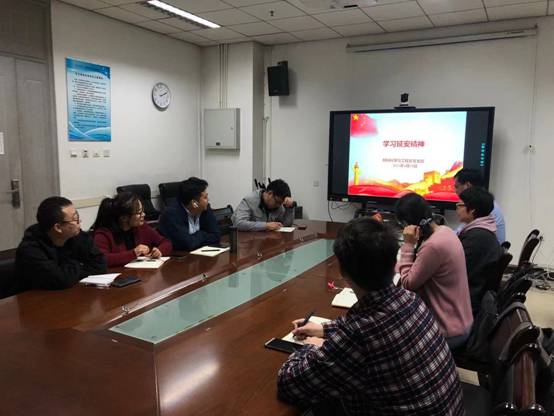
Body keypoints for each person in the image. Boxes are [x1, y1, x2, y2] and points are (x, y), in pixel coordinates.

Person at [277, 218, 464, 415]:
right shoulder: (411, 299)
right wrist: (325, 329)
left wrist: (311, 348)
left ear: (342, 271)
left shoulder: (357, 336)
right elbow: (374, 324)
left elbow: (289, 384)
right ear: (394, 263)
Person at [396, 193, 473, 349]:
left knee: (389, 336)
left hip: (447, 331)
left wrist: (408, 245)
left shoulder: (433, 246)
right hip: (460, 321)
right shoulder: (445, 231)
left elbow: (408, 283)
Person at [14, 196, 106, 291]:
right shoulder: (30, 249)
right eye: (75, 219)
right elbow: (61, 280)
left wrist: (71, 270)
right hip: (36, 297)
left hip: (70, 293)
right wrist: (79, 265)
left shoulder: (76, 235)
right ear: (58, 228)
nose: (79, 222)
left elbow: (100, 265)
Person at [457, 187, 503, 315]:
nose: (457, 208)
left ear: (472, 210)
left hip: (468, 303)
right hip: (475, 294)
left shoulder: (477, 238)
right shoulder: (482, 232)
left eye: (460, 205)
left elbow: (457, 273)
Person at [92, 192, 172, 267]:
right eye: (139, 213)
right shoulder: (104, 234)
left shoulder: (142, 227)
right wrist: (134, 253)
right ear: (124, 218)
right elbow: (103, 259)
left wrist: (160, 250)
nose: (143, 215)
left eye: (143, 211)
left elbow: (166, 242)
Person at [158, 177, 220, 251]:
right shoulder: (172, 214)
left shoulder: (205, 209)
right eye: (205, 197)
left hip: (197, 254)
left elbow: (216, 236)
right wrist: (202, 235)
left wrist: (196, 238)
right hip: (176, 256)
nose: (208, 200)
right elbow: (187, 244)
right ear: (194, 203)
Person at [454, 168, 506, 243]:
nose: (455, 191)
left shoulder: (483, 206)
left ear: (468, 185)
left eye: (457, 187)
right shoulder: (486, 203)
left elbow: (457, 236)